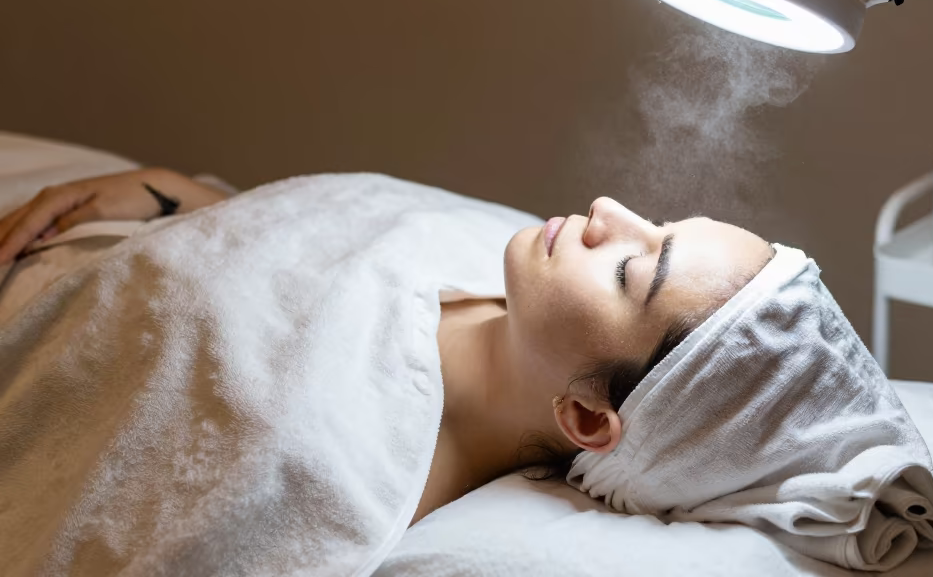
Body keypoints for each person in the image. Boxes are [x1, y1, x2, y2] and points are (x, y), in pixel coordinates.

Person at [0, 167, 776, 525]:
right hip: (91, 220)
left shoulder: (320, 466)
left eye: (634, 267)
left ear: (585, 418)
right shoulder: (506, 249)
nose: (609, 209)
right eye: (662, 221)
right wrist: (175, 194)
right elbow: (294, 246)